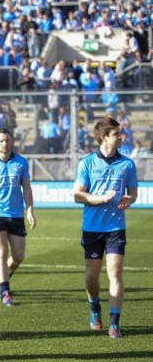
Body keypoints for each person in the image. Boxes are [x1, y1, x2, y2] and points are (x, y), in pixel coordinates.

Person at [73, 117, 138, 338]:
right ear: (104, 137)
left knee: (115, 273)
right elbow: (77, 195)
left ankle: (114, 322)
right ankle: (94, 308)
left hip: (115, 227)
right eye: (116, 134)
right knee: (92, 275)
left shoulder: (128, 164)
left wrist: (129, 200)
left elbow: (134, 193)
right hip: (92, 228)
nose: (121, 137)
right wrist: (100, 198)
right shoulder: (87, 163)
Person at [0, 128, 36, 307]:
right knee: (1, 252)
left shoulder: (21, 163)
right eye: (1, 140)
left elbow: (26, 187)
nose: (5, 143)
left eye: (7, 140)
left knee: (18, 257)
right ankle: (5, 290)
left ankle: (4, 278)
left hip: (16, 214)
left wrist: (30, 210)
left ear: (12, 141)